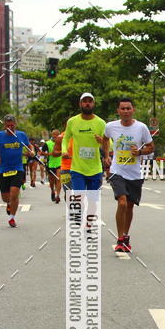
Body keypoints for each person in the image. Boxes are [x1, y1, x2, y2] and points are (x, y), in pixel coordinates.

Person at [102, 97, 154, 253]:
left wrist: (139, 152)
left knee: (130, 206)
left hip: (135, 173)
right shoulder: (111, 126)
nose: (125, 111)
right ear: (118, 111)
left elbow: (151, 147)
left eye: (128, 108)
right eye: (122, 109)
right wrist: (107, 155)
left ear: (133, 110)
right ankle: (119, 238)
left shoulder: (141, 128)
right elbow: (105, 139)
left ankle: (125, 236)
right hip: (117, 170)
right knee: (122, 202)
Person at [62, 92, 106, 190]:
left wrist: (102, 141)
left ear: (93, 104)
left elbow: (109, 144)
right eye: (84, 101)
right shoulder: (72, 121)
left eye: (90, 101)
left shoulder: (101, 123)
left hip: (95, 169)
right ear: (80, 104)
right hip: (77, 169)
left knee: (93, 202)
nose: (87, 104)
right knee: (78, 199)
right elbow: (65, 138)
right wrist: (64, 150)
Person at [0, 114, 34, 227]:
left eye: (12, 125)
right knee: (5, 197)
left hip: (17, 168)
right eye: (8, 126)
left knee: (14, 193)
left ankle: (12, 218)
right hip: (4, 169)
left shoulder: (21, 135)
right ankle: (8, 203)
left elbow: (29, 146)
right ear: (4, 126)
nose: (10, 128)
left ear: (15, 125)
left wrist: (31, 152)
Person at [45, 129, 62, 202]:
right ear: (51, 135)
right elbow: (42, 153)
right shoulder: (47, 143)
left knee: (58, 179)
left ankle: (58, 195)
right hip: (50, 165)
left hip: (59, 164)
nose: (55, 136)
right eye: (53, 134)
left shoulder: (62, 142)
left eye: (56, 135)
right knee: (51, 181)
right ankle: (52, 191)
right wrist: (50, 155)